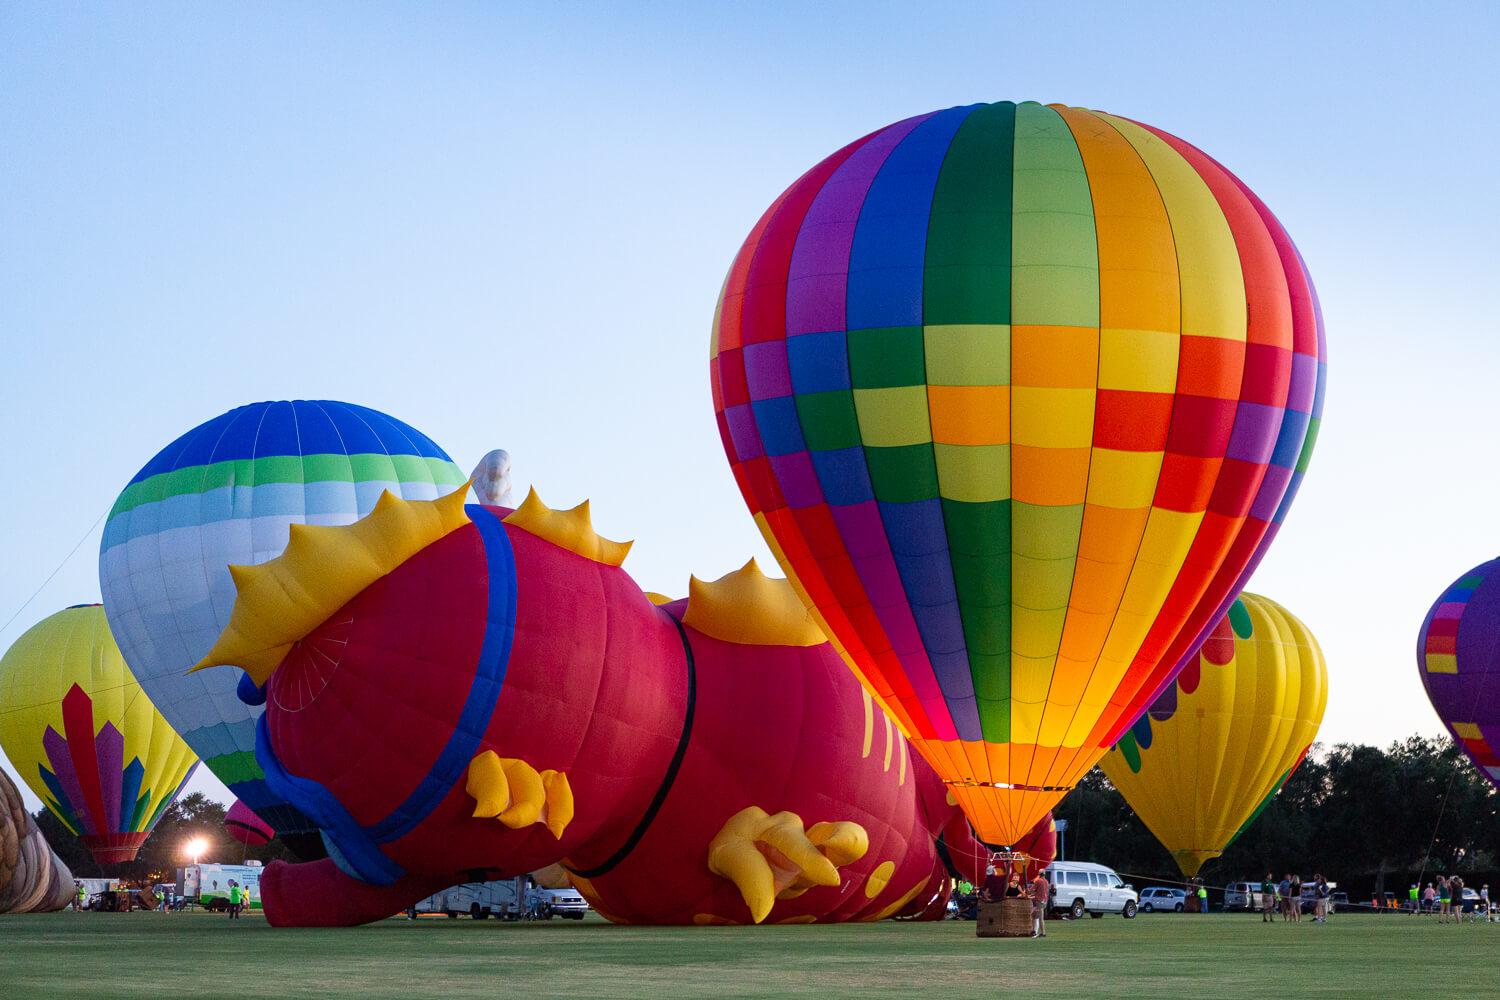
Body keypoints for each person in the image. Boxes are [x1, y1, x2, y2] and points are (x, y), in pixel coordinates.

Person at [1030, 870, 1050, 938]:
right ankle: (1034, 931)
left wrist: (1028, 892)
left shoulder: (1038, 881)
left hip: (1039, 900)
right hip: (1044, 900)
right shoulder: (1046, 881)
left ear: (1039, 874)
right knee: (1034, 915)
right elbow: (1043, 891)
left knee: (1039, 917)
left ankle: (1042, 933)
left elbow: (1031, 889)